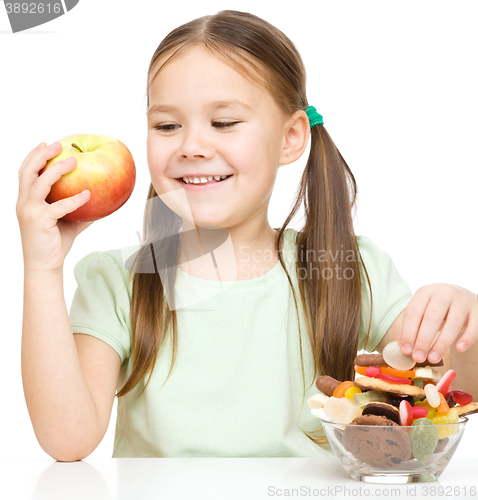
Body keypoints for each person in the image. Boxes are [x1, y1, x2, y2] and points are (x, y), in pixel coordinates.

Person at [16, 10, 478, 461]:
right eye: (167, 125)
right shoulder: (120, 280)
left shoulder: (350, 270)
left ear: (290, 138)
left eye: (224, 122)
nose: (192, 146)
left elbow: (449, 389)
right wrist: (42, 267)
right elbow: (67, 440)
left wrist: (461, 322)